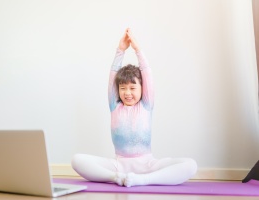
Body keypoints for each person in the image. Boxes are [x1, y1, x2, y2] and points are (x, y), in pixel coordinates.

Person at [71, 28, 197, 187]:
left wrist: (138, 50)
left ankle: (143, 180)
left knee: (190, 165)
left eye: (132, 88)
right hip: (118, 166)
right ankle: (116, 177)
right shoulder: (114, 105)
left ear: (142, 89)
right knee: (76, 160)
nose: (127, 93)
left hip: (147, 165)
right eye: (123, 88)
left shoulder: (146, 105)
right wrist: (120, 51)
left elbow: (147, 74)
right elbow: (112, 76)